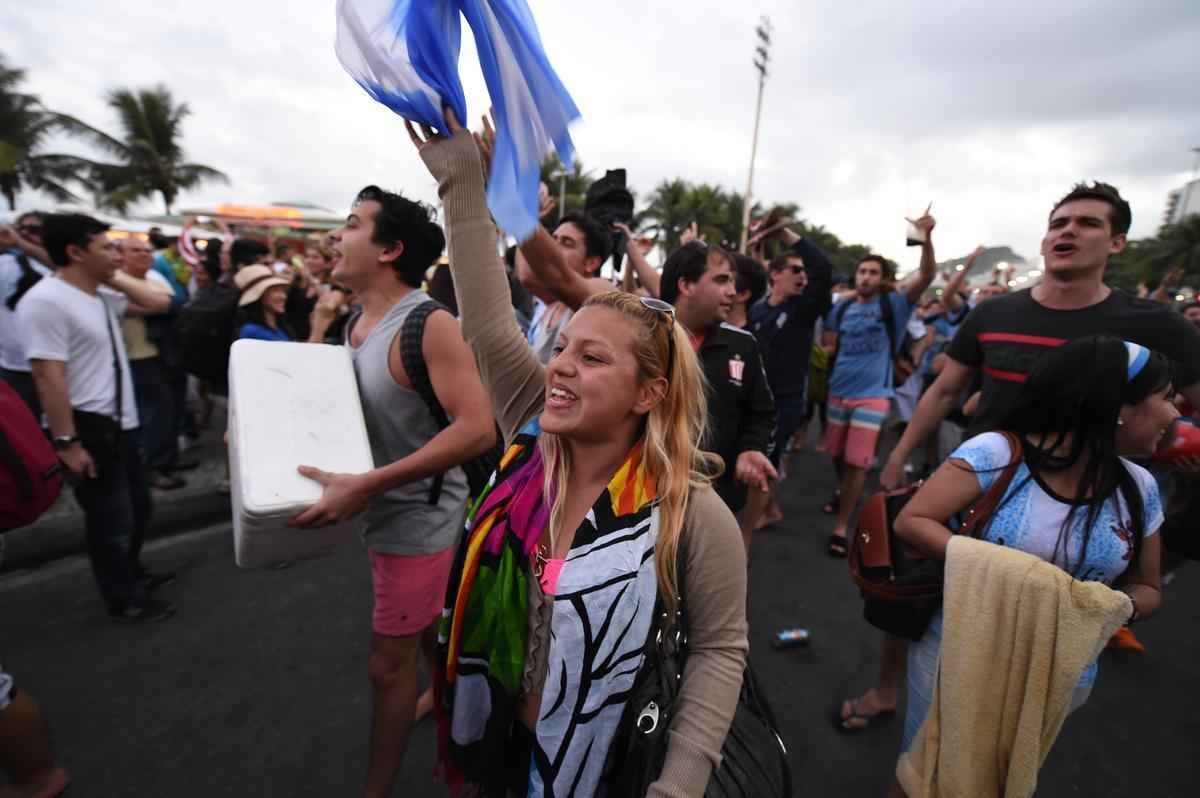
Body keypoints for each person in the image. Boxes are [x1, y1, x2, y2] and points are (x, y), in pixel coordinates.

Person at [408, 111, 746, 798]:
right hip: (494, 737)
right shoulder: (530, 430)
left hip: (608, 768)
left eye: (591, 358)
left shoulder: (691, 512)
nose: (559, 368)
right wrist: (463, 184)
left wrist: (677, 787)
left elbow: (719, 651)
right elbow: (485, 312)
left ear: (648, 393)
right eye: (562, 349)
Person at [842, 181, 1200, 733]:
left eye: (1087, 223)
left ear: (1119, 243)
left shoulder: (1151, 327)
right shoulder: (996, 314)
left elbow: (1184, 404)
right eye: (1059, 223)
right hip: (981, 487)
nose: (1068, 232)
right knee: (913, 597)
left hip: (1091, 504)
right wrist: (900, 456)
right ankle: (891, 690)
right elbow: (943, 392)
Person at [889, 336, 1170, 795]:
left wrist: (1100, 606)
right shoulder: (998, 454)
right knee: (925, 772)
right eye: (1164, 397)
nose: (1176, 414)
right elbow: (913, 520)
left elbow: (1150, 590)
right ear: (1115, 405)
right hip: (959, 650)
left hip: (1062, 671)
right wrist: (1022, 578)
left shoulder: (1140, 488)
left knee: (998, 777)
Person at [289, 185, 495, 798]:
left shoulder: (430, 324)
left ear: (390, 250)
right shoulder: (357, 323)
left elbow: (477, 427)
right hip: (378, 515)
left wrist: (370, 484)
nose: (336, 235)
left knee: (386, 668)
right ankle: (453, 698)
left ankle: (377, 787)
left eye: (352, 224)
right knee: (431, 633)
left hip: (420, 524)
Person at [16, 213, 177, 622]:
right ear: (74, 252)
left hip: (121, 421)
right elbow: (47, 375)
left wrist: (107, 274)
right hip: (87, 425)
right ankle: (123, 596)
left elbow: (161, 301)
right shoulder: (46, 300)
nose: (118, 255)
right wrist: (67, 442)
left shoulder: (101, 296)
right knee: (111, 518)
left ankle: (132, 573)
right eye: (106, 248)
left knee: (138, 507)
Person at [823, 214, 937, 557]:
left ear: (884, 278)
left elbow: (928, 275)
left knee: (858, 462)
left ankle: (842, 526)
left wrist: (926, 238)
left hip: (874, 396)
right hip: (838, 390)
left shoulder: (895, 305)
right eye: (862, 271)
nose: (866, 277)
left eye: (873, 272)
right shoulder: (841, 308)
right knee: (837, 456)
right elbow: (830, 344)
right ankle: (845, 490)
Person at [659, 242, 778, 545]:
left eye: (733, 282)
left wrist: (752, 448)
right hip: (646, 503)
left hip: (717, 504)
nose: (732, 292)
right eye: (721, 280)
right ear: (686, 284)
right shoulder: (644, 340)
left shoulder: (743, 346)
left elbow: (760, 413)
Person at [748, 239, 834, 529]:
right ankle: (770, 507)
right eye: (795, 270)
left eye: (803, 271)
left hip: (787, 401)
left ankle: (758, 513)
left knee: (769, 454)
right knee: (765, 453)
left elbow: (823, 268)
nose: (802, 276)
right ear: (775, 275)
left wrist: (786, 235)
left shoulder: (803, 310)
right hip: (759, 399)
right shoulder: (758, 311)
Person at [114, 238, 185, 491]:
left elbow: (174, 304)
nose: (144, 254)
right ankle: (153, 468)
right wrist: (154, 305)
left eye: (147, 250)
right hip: (138, 357)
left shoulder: (155, 278)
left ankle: (168, 460)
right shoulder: (114, 281)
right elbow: (158, 305)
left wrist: (150, 306)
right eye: (136, 250)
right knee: (155, 412)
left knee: (172, 409)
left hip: (167, 353)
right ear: (120, 255)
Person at [517, 210, 613, 363]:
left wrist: (518, 211)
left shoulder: (602, 293)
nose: (554, 247)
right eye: (552, 239)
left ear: (591, 263)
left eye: (566, 243)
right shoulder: (554, 303)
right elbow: (527, 275)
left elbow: (556, 276)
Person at [0, 212, 53, 417]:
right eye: (21, 229)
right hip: (14, 368)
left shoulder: (59, 265)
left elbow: (61, 265)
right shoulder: (5, 264)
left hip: (57, 368)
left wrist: (21, 243)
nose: (26, 234)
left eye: (35, 230)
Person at [233, 265, 295, 342]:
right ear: (260, 297)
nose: (283, 296)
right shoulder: (251, 331)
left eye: (283, 291)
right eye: (275, 290)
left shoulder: (280, 328)